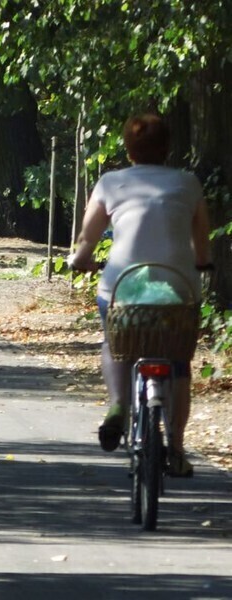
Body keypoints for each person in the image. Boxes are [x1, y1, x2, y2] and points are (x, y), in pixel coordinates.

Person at [70, 113, 212, 477]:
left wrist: (81, 259)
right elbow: (201, 243)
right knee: (178, 362)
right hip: (178, 287)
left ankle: (118, 404)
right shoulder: (188, 183)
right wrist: (203, 264)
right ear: (167, 148)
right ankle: (176, 449)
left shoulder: (110, 182)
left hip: (122, 287)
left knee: (114, 342)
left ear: (128, 148)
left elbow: (88, 238)